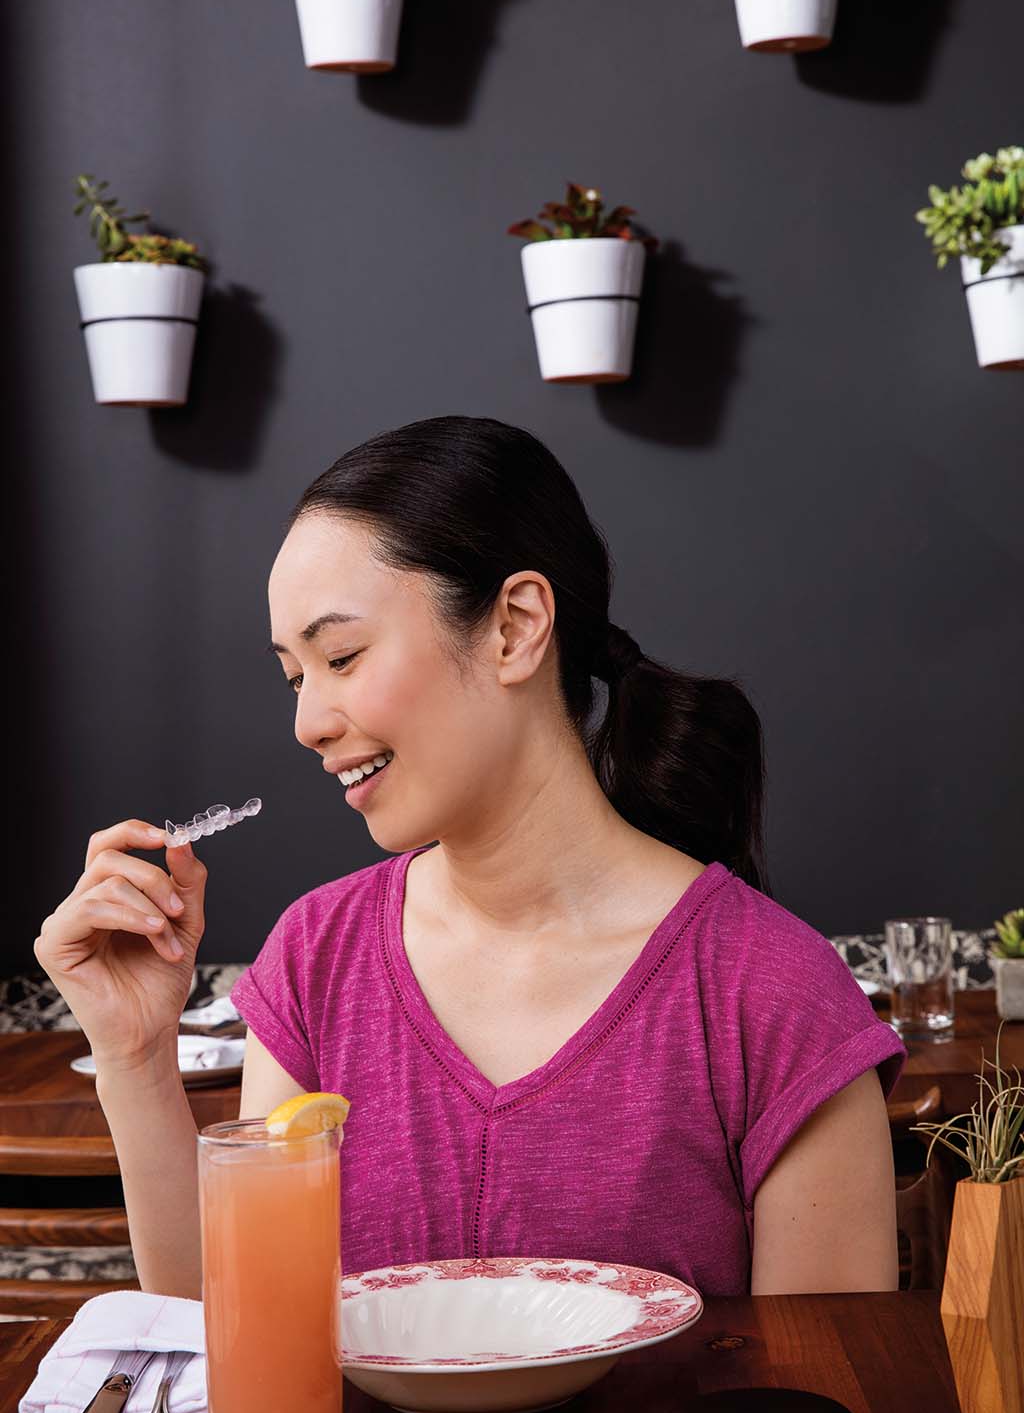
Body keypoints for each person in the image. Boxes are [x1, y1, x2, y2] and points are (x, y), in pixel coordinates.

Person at [35, 415, 906, 1302]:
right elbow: (235, 1320)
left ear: (515, 627)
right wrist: (135, 1056)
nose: (308, 723)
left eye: (341, 655)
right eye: (296, 677)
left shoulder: (775, 995)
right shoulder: (314, 959)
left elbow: (825, 1391)